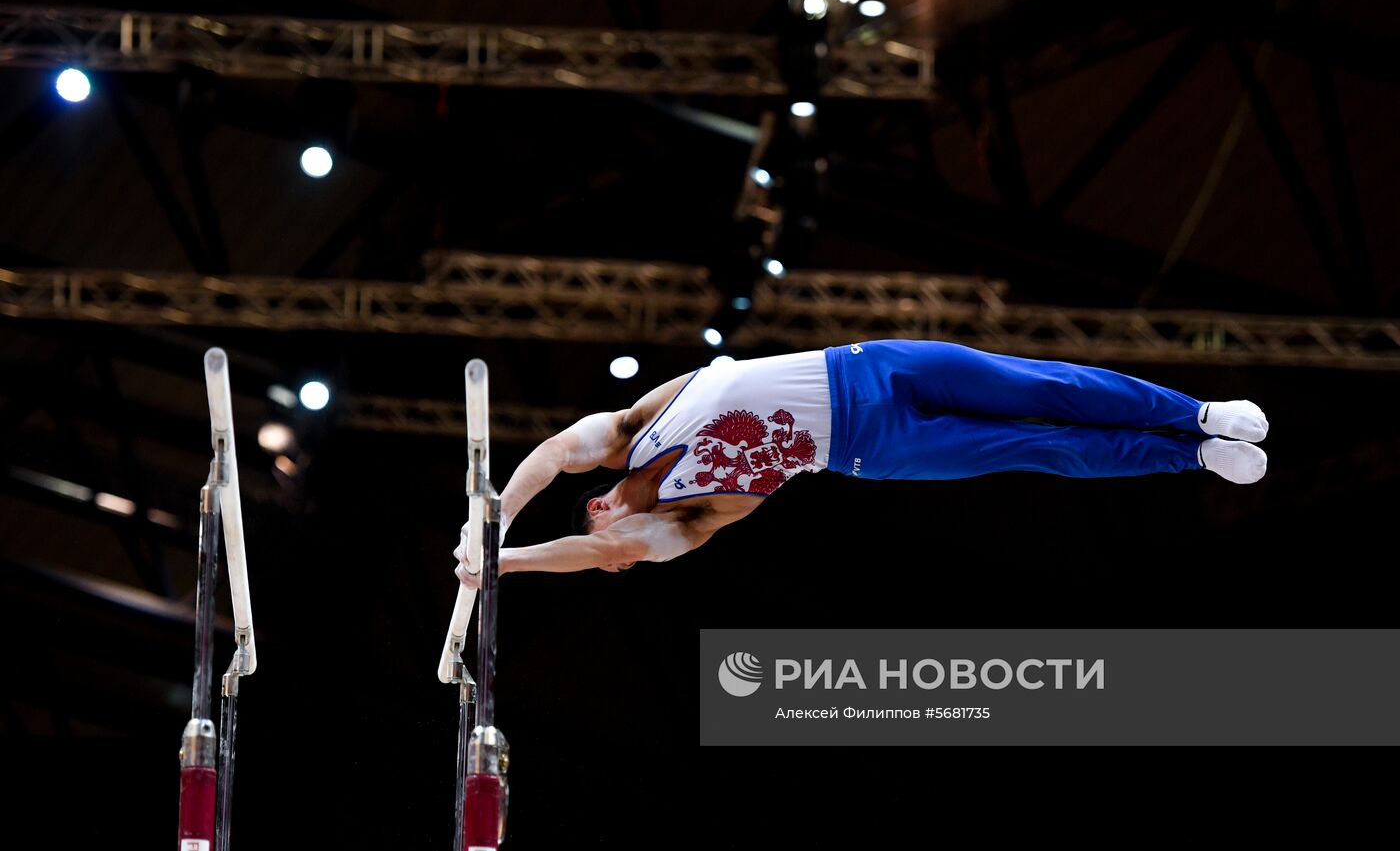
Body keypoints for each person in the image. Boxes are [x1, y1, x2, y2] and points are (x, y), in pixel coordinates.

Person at [453, 340, 1267, 584]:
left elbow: (554, 455)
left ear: (599, 503)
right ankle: (1193, 455)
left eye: (610, 551)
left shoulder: (631, 428)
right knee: (1039, 445)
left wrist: (492, 519)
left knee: (1042, 385)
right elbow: (597, 550)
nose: (619, 559)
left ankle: (1194, 412)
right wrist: (508, 564)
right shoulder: (692, 522)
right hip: (876, 449)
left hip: (870, 366)